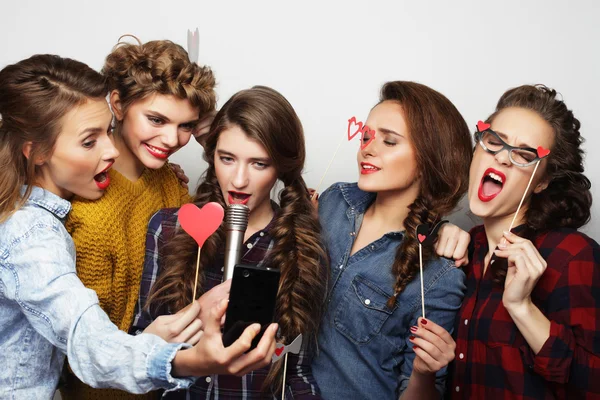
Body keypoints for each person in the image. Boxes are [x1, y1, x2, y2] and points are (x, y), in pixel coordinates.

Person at [0, 54, 277, 400]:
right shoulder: (33, 233)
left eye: (186, 125)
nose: (110, 150)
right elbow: (90, 341)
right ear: (36, 151)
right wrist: (186, 361)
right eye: (90, 140)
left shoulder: (144, 184)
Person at [132, 86, 327, 398]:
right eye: (227, 159)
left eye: (259, 164)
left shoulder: (300, 246)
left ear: (281, 168)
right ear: (212, 156)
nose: (238, 180)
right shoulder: (168, 227)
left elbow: (296, 369)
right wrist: (197, 320)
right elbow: (140, 347)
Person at [62, 36, 217, 399]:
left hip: (170, 380)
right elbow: (85, 346)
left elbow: (200, 257)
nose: (171, 138)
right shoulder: (88, 205)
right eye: (156, 119)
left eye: (186, 126)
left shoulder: (167, 180)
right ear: (117, 103)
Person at [311, 81, 473, 399]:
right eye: (367, 136)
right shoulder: (331, 202)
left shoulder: (439, 273)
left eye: (389, 141)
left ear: (429, 159)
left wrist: (425, 372)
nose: (368, 148)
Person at [447, 84, 600, 398]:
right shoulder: (462, 251)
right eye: (493, 141)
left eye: (524, 155)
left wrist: (522, 308)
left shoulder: (571, 255)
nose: (503, 158)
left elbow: (593, 385)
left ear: (542, 181)